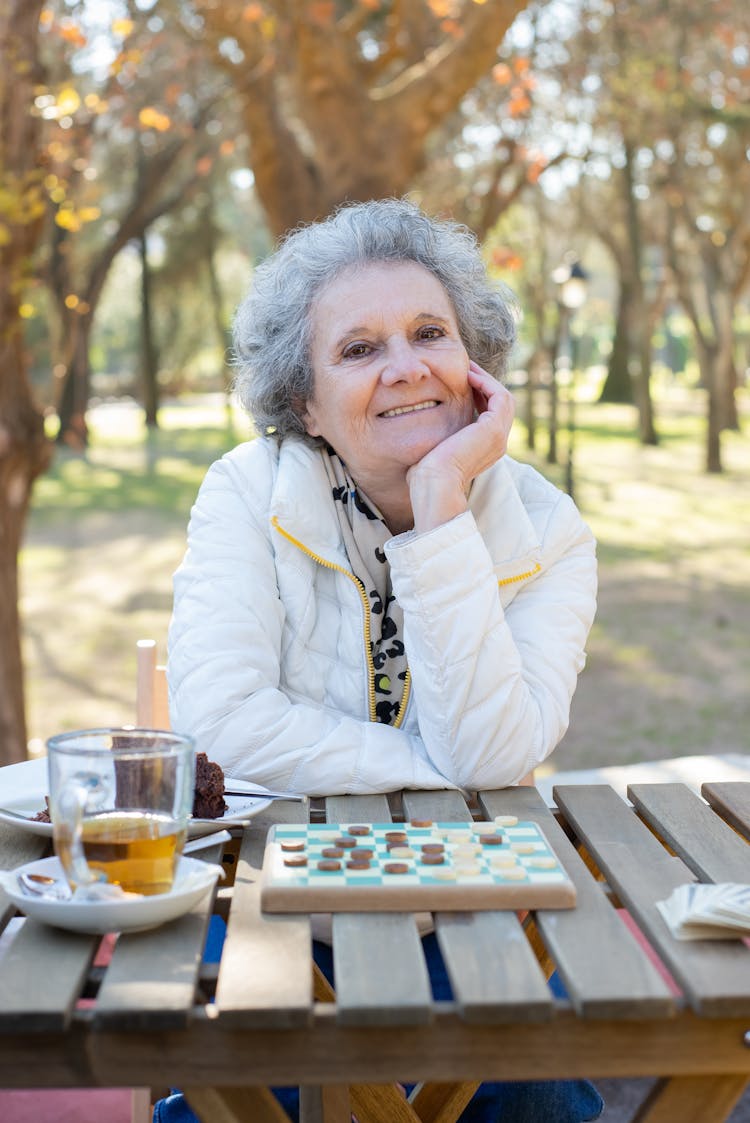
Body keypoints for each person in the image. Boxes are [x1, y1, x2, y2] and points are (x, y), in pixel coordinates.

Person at [163, 198, 601, 1123]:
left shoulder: (548, 530)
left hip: (469, 902)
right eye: (359, 349)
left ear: (474, 360)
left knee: (533, 1096)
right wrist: (441, 769)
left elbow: (491, 755)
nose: (407, 367)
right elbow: (226, 721)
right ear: (304, 405)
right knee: (255, 1094)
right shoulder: (245, 492)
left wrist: (442, 503)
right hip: (267, 900)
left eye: (430, 332)